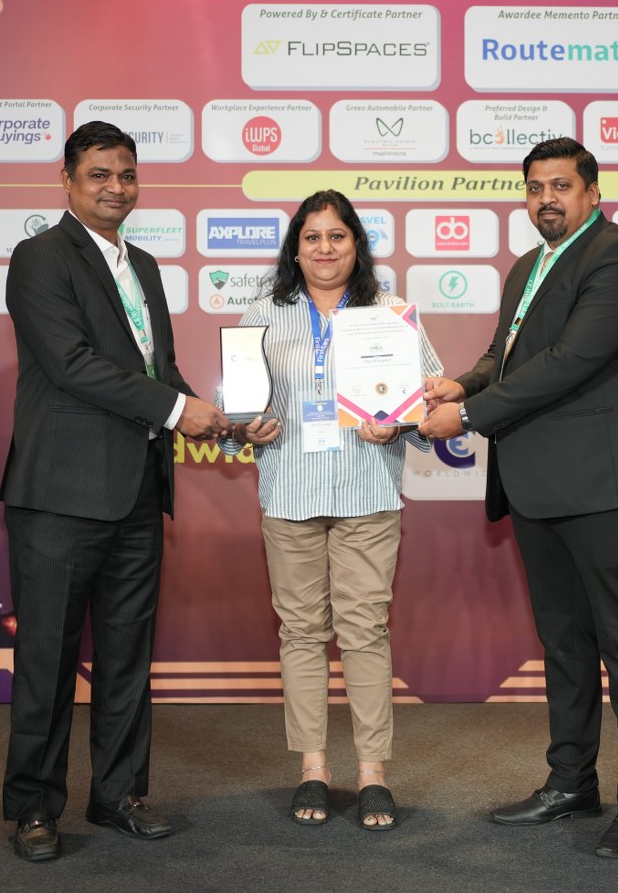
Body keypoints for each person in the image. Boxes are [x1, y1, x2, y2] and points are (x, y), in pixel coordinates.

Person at [420, 137, 618, 858]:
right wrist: (463, 382)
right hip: (537, 480)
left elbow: (571, 361)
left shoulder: (617, 257)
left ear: (592, 192)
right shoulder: (529, 266)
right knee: (563, 642)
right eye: (535, 187)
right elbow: (506, 355)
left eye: (561, 186)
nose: (546, 199)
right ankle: (571, 782)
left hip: (603, 482)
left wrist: (469, 415)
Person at [0, 121, 229, 862]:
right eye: (99, 174)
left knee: (129, 654)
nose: (116, 187)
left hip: (135, 490)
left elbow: (157, 371)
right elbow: (71, 363)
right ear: (67, 180)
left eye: (127, 174)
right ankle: (35, 807)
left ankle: (119, 794)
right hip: (60, 493)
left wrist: (221, 418)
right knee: (47, 658)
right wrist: (177, 409)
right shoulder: (40, 256)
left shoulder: (146, 266)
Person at [221, 190, 442, 831]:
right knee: (301, 634)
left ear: (356, 245)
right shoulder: (262, 314)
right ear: (296, 249)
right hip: (289, 495)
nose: (325, 248)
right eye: (312, 237)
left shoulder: (391, 314)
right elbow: (236, 417)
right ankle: (312, 768)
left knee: (365, 632)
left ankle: (373, 774)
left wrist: (400, 422)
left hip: (366, 494)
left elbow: (431, 408)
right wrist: (245, 430)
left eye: (337, 236)